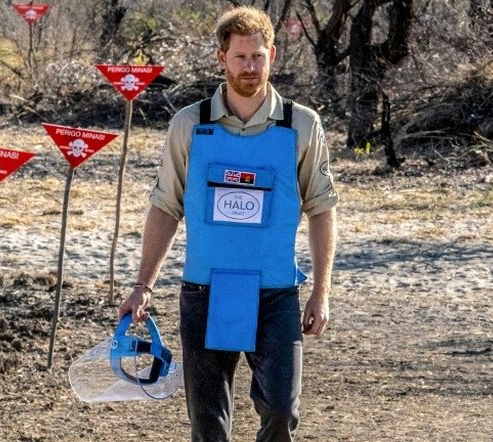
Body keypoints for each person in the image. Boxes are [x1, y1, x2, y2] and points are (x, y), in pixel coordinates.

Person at [118, 6, 338, 442]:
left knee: (281, 409)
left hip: (275, 293)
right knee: (209, 423)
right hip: (204, 291)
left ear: (272, 53)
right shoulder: (190, 124)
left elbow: (322, 208)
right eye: (240, 57)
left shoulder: (301, 124)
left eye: (258, 56)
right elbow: (165, 207)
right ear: (222, 58)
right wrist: (143, 284)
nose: (251, 67)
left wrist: (321, 292)